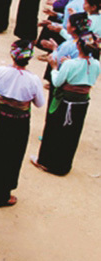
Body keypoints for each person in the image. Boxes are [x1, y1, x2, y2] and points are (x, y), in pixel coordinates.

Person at [0, 40, 45, 207]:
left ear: (12, 54)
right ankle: (2, 194)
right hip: (19, 123)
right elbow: (39, 103)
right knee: (12, 155)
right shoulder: (33, 80)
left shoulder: (1, 71)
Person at [32, 32, 99, 176]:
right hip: (82, 102)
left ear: (78, 46)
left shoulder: (70, 64)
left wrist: (55, 67)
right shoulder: (96, 64)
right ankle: (64, 165)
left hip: (65, 101)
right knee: (72, 133)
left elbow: (57, 82)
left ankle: (46, 162)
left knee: (55, 131)